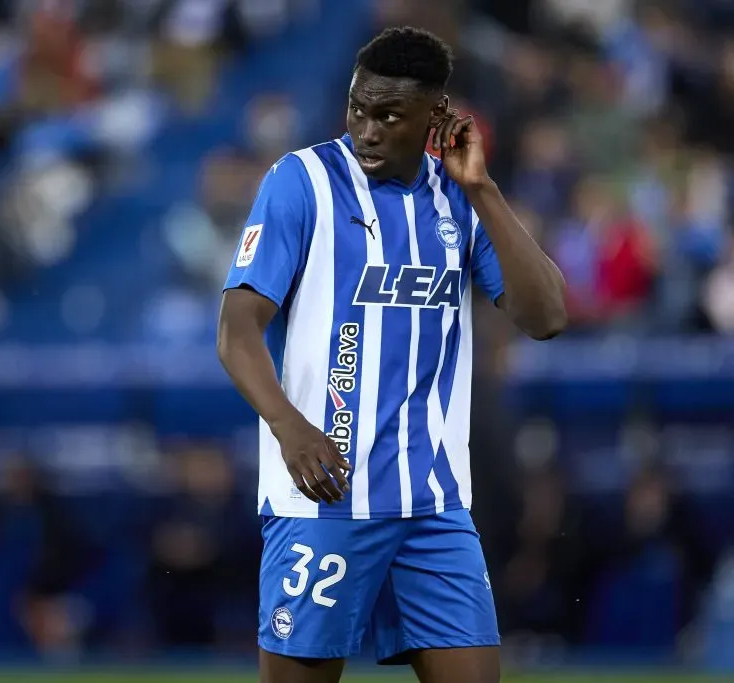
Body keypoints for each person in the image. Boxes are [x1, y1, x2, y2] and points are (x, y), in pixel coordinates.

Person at [216, 26, 567, 683]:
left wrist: (483, 189)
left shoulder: (459, 202)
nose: (367, 130)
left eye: (388, 115)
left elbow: (547, 315)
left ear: (435, 117)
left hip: (433, 504)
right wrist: (290, 429)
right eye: (358, 109)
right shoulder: (301, 183)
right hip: (324, 497)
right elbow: (236, 331)